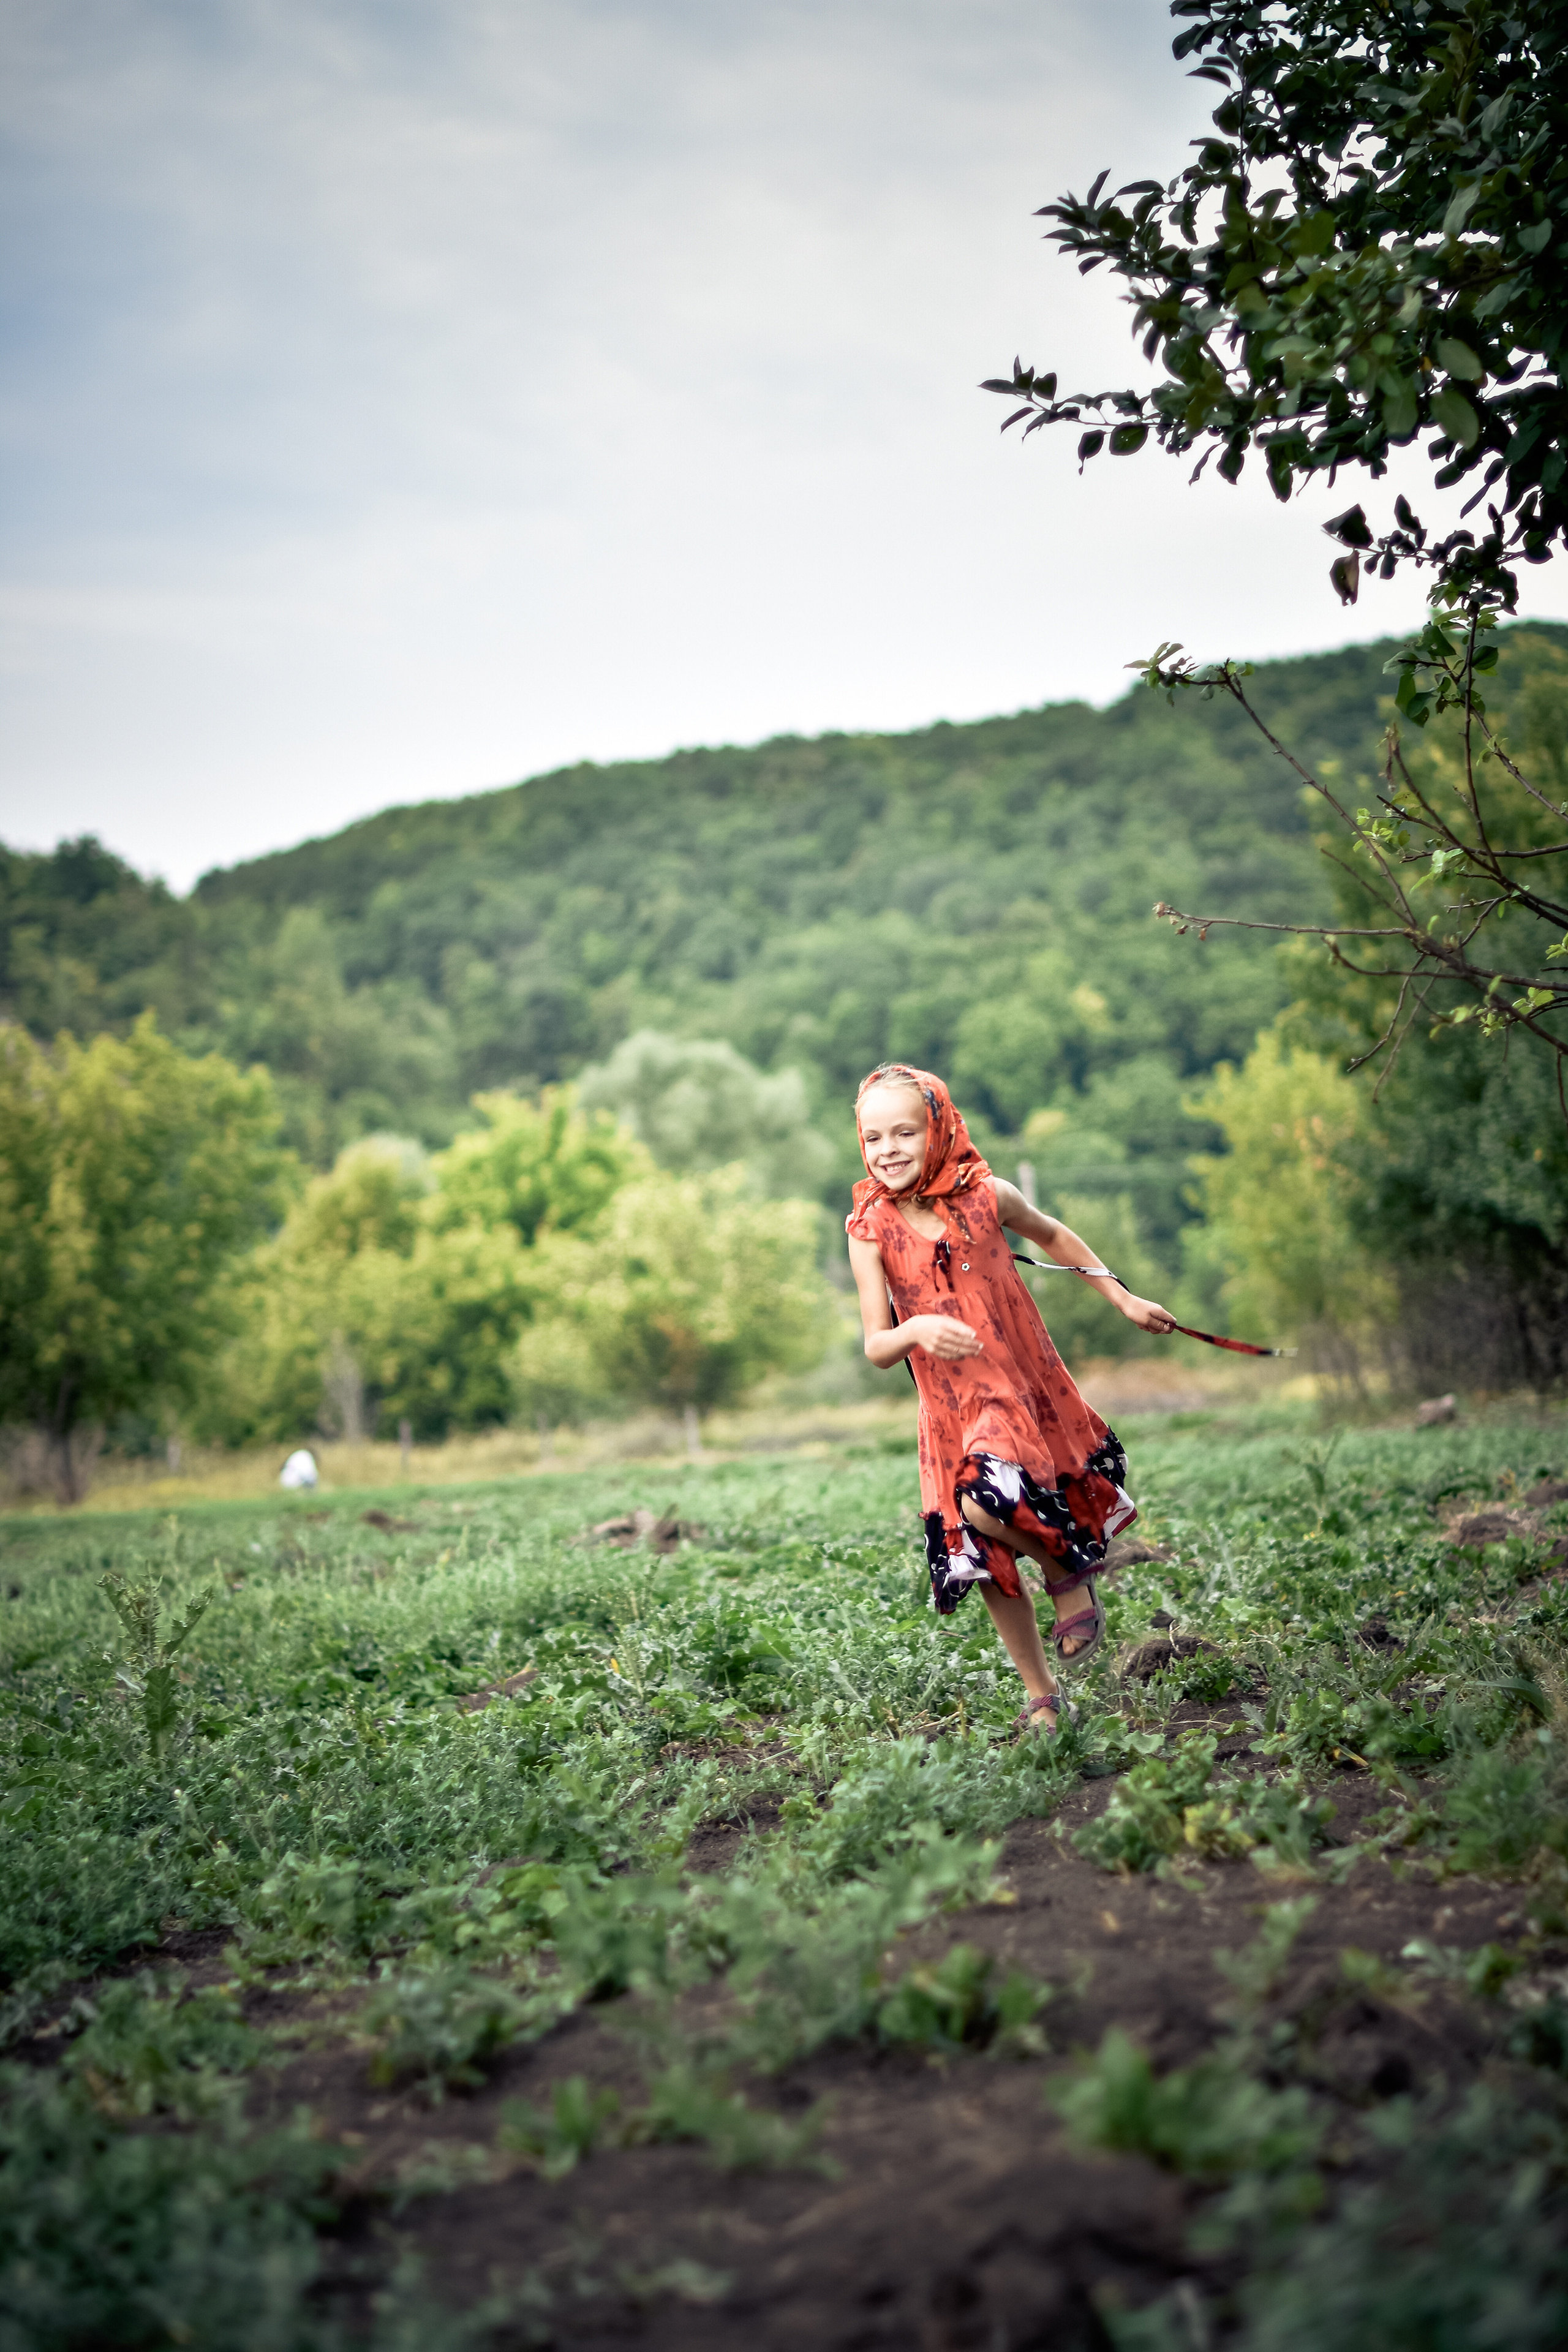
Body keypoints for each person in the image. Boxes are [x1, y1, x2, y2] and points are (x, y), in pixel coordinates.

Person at [846, 1063, 1175, 1736]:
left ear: (938, 1128)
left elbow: (1054, 1236)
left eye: (905, 1132)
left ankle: (1065, 1572)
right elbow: (877, 1347)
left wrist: (1123, 1296)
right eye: (873, 1137)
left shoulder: (985, 1196)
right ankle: (1041, 1696)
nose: (888, 1150)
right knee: (982, 1554)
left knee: (983, 1500)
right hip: (948, 1412)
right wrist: (914, 1328)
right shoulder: (869, 1230)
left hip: (1016, 1391)